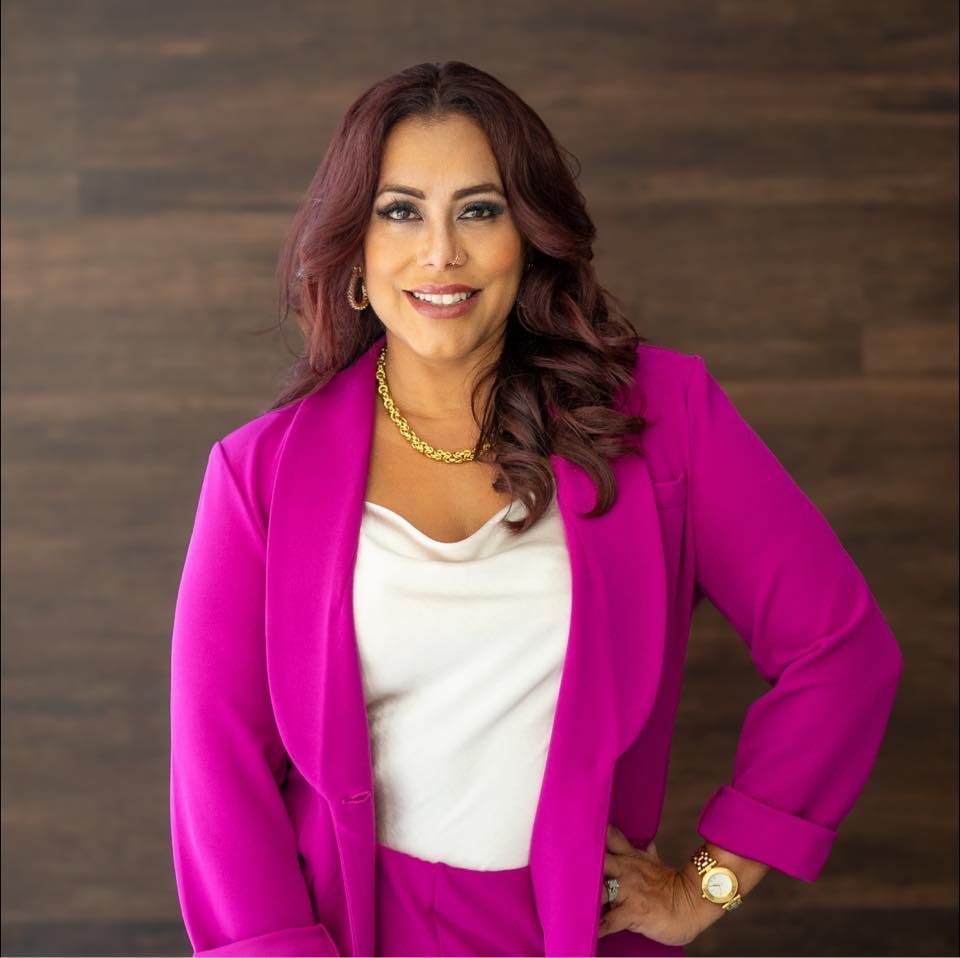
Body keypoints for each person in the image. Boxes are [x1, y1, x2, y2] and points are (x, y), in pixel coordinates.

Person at [169, 61, 904, 957]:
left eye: (479, 210)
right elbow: (220, 779)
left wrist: (709, 883)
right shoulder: (258, 476)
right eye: (401, 210)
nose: (440, 252)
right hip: (341, 933)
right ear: (355, 250)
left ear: (530, 236)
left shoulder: (664, 420)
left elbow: (842, 651)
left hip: (573, 931)